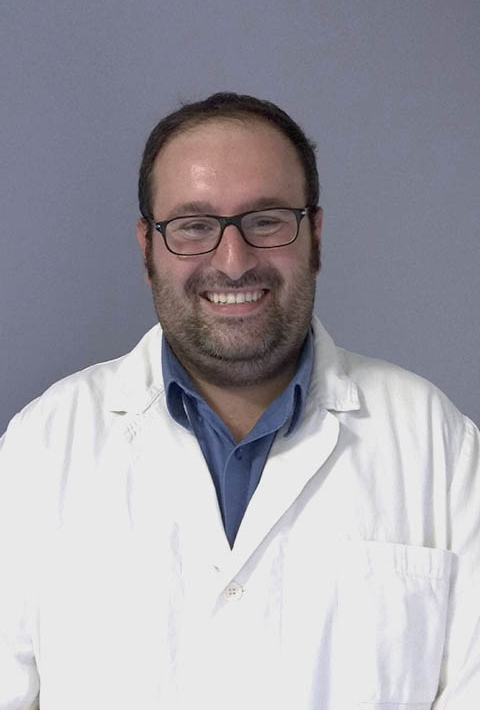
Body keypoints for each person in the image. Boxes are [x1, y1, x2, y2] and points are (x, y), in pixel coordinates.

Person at [0, 92, 478, 710]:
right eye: (194, 226)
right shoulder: (40, 449)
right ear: (147, 248)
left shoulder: (438, 446)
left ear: (316, 237)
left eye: (266, 220)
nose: (233, 261)